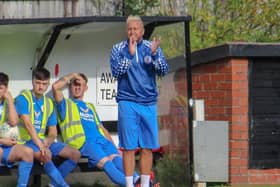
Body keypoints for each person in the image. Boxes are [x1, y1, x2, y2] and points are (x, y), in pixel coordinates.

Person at [109, 15, 168, 187]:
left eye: (135, 29)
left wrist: (155, 55)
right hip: (127, 102)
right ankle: (129, 184)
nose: (132, 32)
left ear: (142, 30)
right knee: (128, 148)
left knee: (147, 147)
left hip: (148, 103)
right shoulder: (118, 48)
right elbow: (116, 72)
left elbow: (163, 70)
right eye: (129, 29)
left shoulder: (152, 47)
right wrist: (129, 54)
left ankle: (144, 183)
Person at [52, 72, 139, 187]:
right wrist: (72, 75)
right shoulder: (66, 105)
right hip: (86, 143)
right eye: (74, 84)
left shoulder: (90, 106)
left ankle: (140, 181)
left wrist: (114, 147)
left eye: (80, 85)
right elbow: (55, 87)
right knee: (108, 165)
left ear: (86, 87)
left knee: (118, 160)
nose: (77, 87)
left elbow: (102, 128)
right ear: (70, 87)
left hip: (102, 141)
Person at [15, 68, 81, 187]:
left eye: (44, 84)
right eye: (38, 83)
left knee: (75, 154)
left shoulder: (49, 103)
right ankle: (63, 185)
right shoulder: (23, 99)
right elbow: (29, 126)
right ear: (32, 82)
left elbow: (53, 132)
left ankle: (54, 184)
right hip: (25, 141)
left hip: (41, 141)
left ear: (48, 84)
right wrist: (41, 145)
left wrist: (48, 140)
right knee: (46, 154)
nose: (41, 87)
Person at [0, 72, 34, 187]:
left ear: (6, 89)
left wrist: (9, 100)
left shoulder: (9, 103)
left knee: (28, 152)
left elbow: (14, 122)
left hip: (6, 145)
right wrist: (2, 141)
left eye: (0, 88)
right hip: (1, 143)